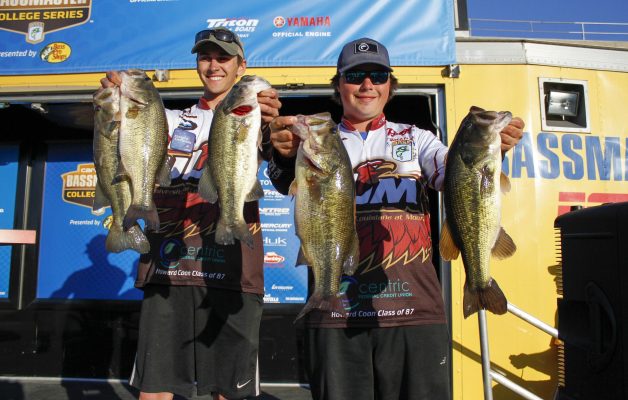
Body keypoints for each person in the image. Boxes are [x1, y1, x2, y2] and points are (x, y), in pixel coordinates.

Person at [267, 38, 524, 400]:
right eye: (355, 76)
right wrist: (280, 152)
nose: (367, 84)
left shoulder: (417, 139)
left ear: (390, 86)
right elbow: (282, 180)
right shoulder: (314, 141)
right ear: (339, 86)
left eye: (377, 76)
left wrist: (493, 147)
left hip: (413, 310)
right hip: (334, 311)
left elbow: (454, 174)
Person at [99, 27, 281, 400]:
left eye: (223, 58)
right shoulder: (166, 118)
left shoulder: (255, 114)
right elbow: (124, 128)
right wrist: (111, 101)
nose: (214, 65)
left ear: (241, 66)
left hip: (232, 271)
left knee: (228, 392)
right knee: (155, 389)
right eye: (205, 57)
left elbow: (283, 162)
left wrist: (273, 124)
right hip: (169, 268)